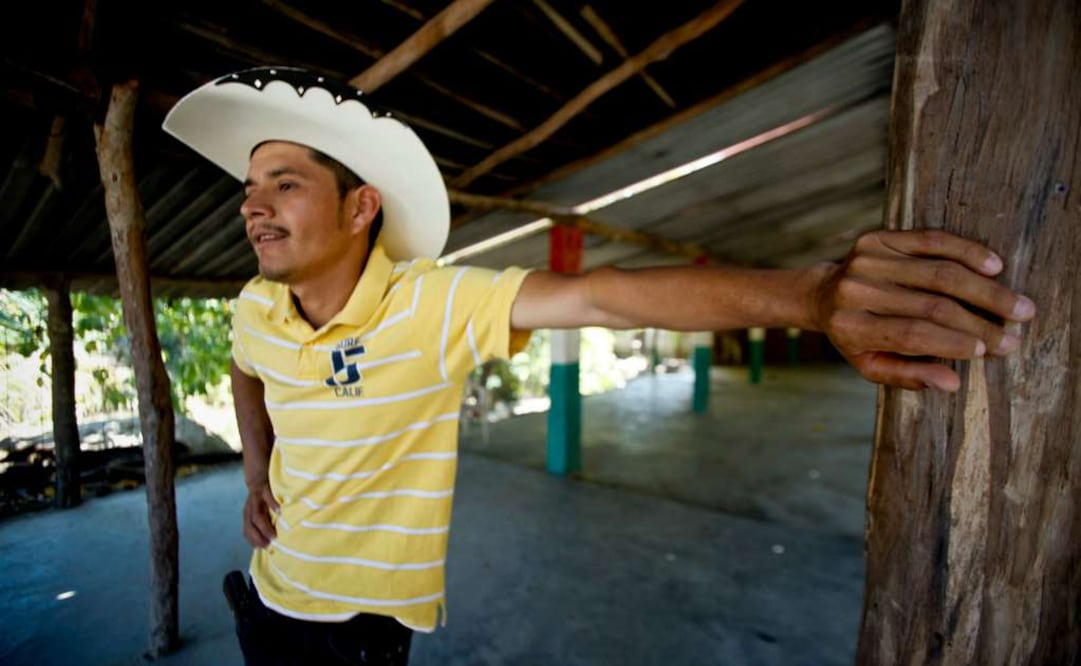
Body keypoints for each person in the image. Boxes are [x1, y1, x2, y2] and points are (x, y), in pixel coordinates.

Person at [163, 66, 1035, 665]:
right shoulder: (252, 307)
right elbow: (247, 370)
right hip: (267, 593)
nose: (253, 203)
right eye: (249, 186)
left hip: (357, 626)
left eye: (283, 181)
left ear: (360, 207)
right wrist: (254, 469)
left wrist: (810, 298)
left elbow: (601, 296)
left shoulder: (425, 305)